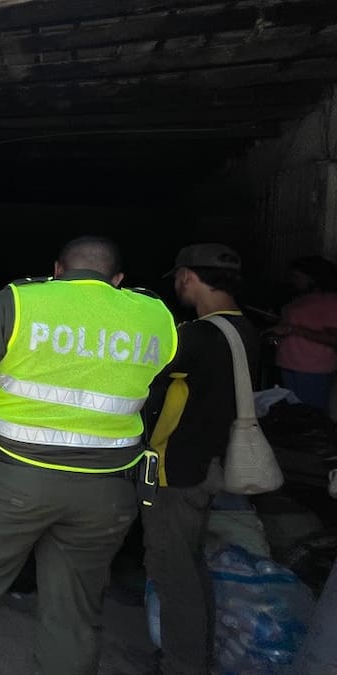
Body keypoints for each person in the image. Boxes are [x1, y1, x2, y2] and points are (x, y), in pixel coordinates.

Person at [0, 236, 177, 675]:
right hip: (107, 490)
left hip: (16, 480)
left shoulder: (21, 300)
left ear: (57, 270)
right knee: (75, 606)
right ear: (118, 279)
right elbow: (163, 378)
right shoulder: (154, 314)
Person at [144, 243, 259, 675]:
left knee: (172, 571)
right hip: (210, 463)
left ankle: (182, 665)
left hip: (178, 469)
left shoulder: (198, 336)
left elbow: (143, 375)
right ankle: (195, 657)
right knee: (189, 567)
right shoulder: (244, 329)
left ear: (187, 277)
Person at [273, 256, 337, 410]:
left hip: (313, 368)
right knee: (295, 412)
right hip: (288, 363)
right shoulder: (299, 298)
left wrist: (294, 329)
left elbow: (333, 338)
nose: (293, 280)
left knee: (311, 413)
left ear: (312, 277)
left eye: (296, 276)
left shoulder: (330, 301)